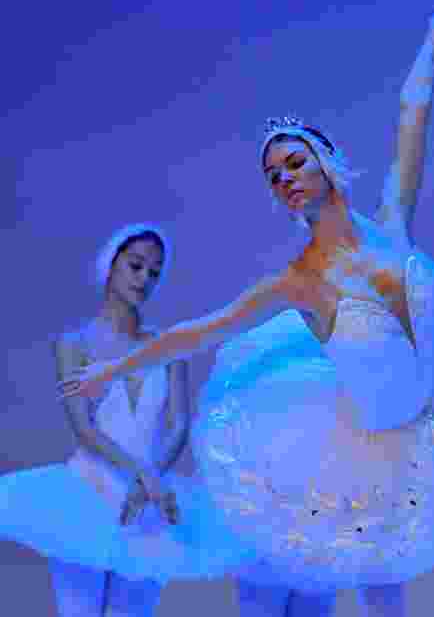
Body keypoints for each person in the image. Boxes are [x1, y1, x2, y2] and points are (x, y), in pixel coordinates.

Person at [61, 0, 434, 617]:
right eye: (274, 176)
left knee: (391, 589)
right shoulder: (300, 280)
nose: (286, 179)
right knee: (368, 580)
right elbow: (199, 331)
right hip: (364, 444)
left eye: (295, 162)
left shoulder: (393, 223)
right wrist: (116, 367)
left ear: (327, 156)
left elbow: (412, 118)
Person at [0, 224, 252, 616]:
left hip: (147, 499)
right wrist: (142, 473)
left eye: (154, 272)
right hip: (87, 493)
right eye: (135, 266)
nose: (144, 279)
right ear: (111, 263)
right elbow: (84, 429)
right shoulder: (74, 346)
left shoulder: (170, 345)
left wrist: (151, 476)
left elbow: (179, 424)